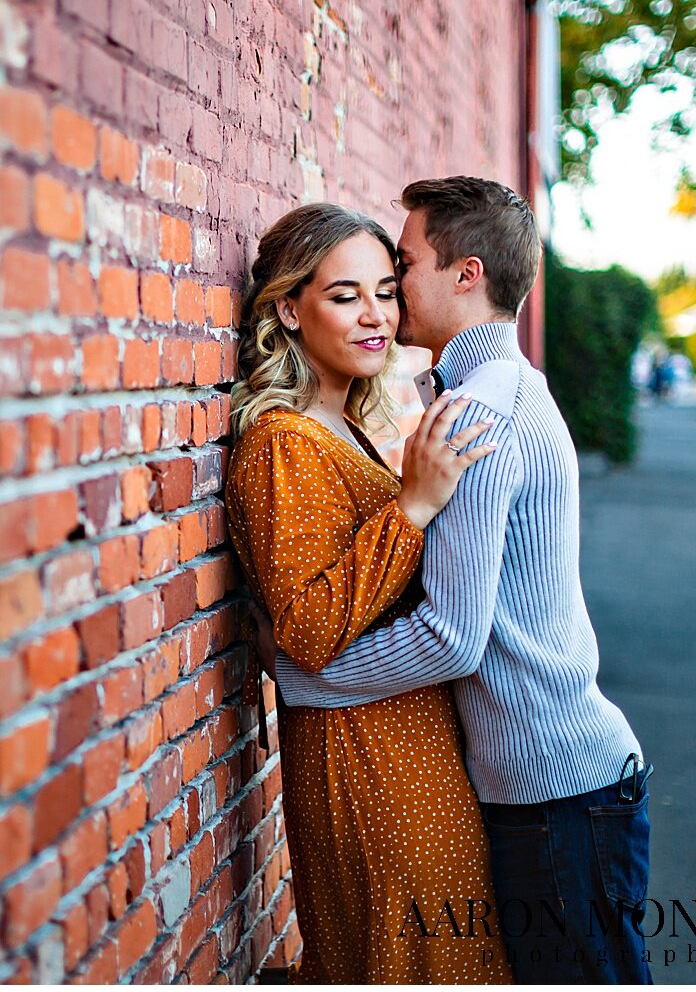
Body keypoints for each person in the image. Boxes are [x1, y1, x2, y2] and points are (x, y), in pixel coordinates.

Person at [260, 177, 653, 984]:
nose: (393, 290)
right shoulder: (504, 391)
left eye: (402, 265)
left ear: (465, 275)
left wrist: (304, 681)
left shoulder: (479, 414)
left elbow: (451, 637)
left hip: (556, 795)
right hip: (557, 784)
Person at [225, 202, 511, 983]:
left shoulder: (342, 425)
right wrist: (413, 506)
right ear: (288, 308)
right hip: (363, 760)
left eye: (385, 291)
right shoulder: (283, 443)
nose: (375, 315)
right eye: (344, 295)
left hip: (411, 742)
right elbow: (311, 629)